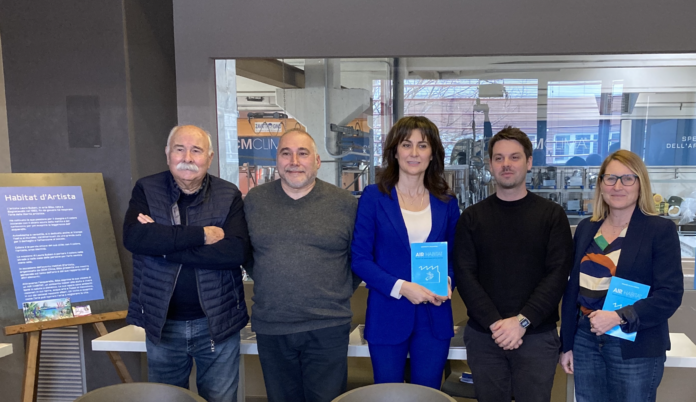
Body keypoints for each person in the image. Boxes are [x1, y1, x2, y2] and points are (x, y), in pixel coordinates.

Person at [123, 125, 250, 402]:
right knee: (166, 399)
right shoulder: (147, 189)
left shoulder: (228, 194)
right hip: (162, 323)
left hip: (217, 322)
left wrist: (164, 247)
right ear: (168, 153)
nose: (187, 157)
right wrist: (202, 235)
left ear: (210, 157)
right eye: (180, 149)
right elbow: (135, 238)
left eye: (196, 150)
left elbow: (235, 252)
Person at [453, 126, 574, 402]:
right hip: (486, 337)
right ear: (490, 165)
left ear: (529, 162)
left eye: (514, 157)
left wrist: (522, 322)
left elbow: (557, 275)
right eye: (499, 158)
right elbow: (465, 275)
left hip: (536, 336)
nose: (506, 164)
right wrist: (496, 324)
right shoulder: (472, 218)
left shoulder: (552, 215)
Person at [244, 129, 359, 402]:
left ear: (317, 161)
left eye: (302, 153)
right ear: (277, 160)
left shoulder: (344, 204)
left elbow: (357, 260)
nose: (294, 161)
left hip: (328, 326)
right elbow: (248, 255)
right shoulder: (255, 201)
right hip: (273, 325)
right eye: (286, 153)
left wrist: (334, 293)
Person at [559, 150, 683, 402]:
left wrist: (618, 317)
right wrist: (567, 344)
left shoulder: (659, 230)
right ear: (601, 184)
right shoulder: (586, 228)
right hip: (586, 340)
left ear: (640, 184)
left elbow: (669, 295)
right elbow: (573, 291)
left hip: (634, 344)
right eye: (611, 178)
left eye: (627, 178)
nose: (618, 186)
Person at [351, 116, 460, 389]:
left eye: (422, 145)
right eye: (406, 144)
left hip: (434, 314)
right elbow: (360, 259)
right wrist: (402, 287)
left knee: (428, 392)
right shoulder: (374, 197)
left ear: (432, 153)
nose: (414, 153)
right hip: (387, 313)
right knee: (388, 392)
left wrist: (447, 280)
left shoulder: (446, 202)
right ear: (395, 152)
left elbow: (456, 256)